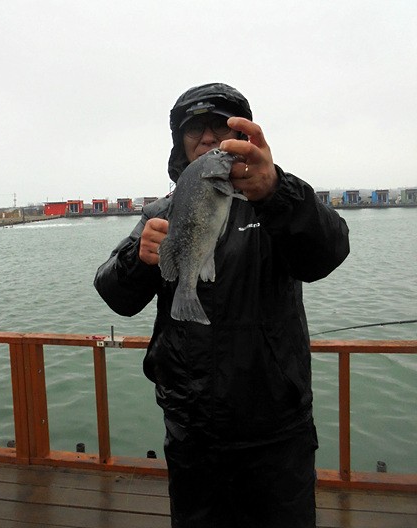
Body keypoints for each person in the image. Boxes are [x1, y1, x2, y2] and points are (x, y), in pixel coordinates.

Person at [94, 82, 350, 528]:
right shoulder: (161, 211)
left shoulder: (275, 200)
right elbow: (115, 295)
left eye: (220, 125)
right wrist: (140, 258)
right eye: (195, 129)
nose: (209, 136)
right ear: (180, 143)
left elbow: (328, 253)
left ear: (243, 136)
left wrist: (276, 192)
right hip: (190, 428)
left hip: (275, 428)